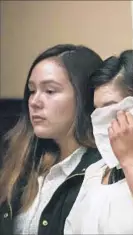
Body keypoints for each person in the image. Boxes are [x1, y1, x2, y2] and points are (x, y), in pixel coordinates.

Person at [0, 44, 104, 235]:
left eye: (49, 91)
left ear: (85, 97)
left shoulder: (101, 171)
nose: (34, 101)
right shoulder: (22, 161)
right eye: (32, 90)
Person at [64, 49, 133, 234]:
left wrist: (132, 161)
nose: (102, 120)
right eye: (96, 111)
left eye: (110, 108)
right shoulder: (94, 174)